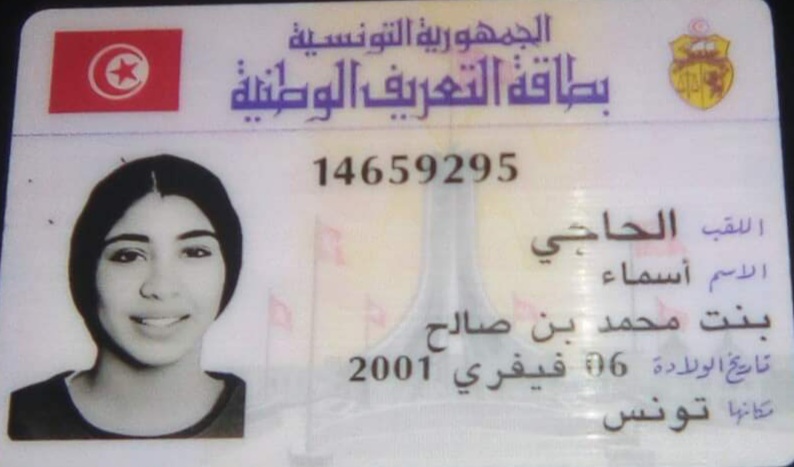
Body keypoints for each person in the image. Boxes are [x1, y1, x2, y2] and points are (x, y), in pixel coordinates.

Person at [7, 154, 245, 439]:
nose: (161, 288)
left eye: (195, 252)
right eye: (128, 255)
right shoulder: (18, 417)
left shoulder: (263, 415)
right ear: (86, 271)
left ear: (229, 269)